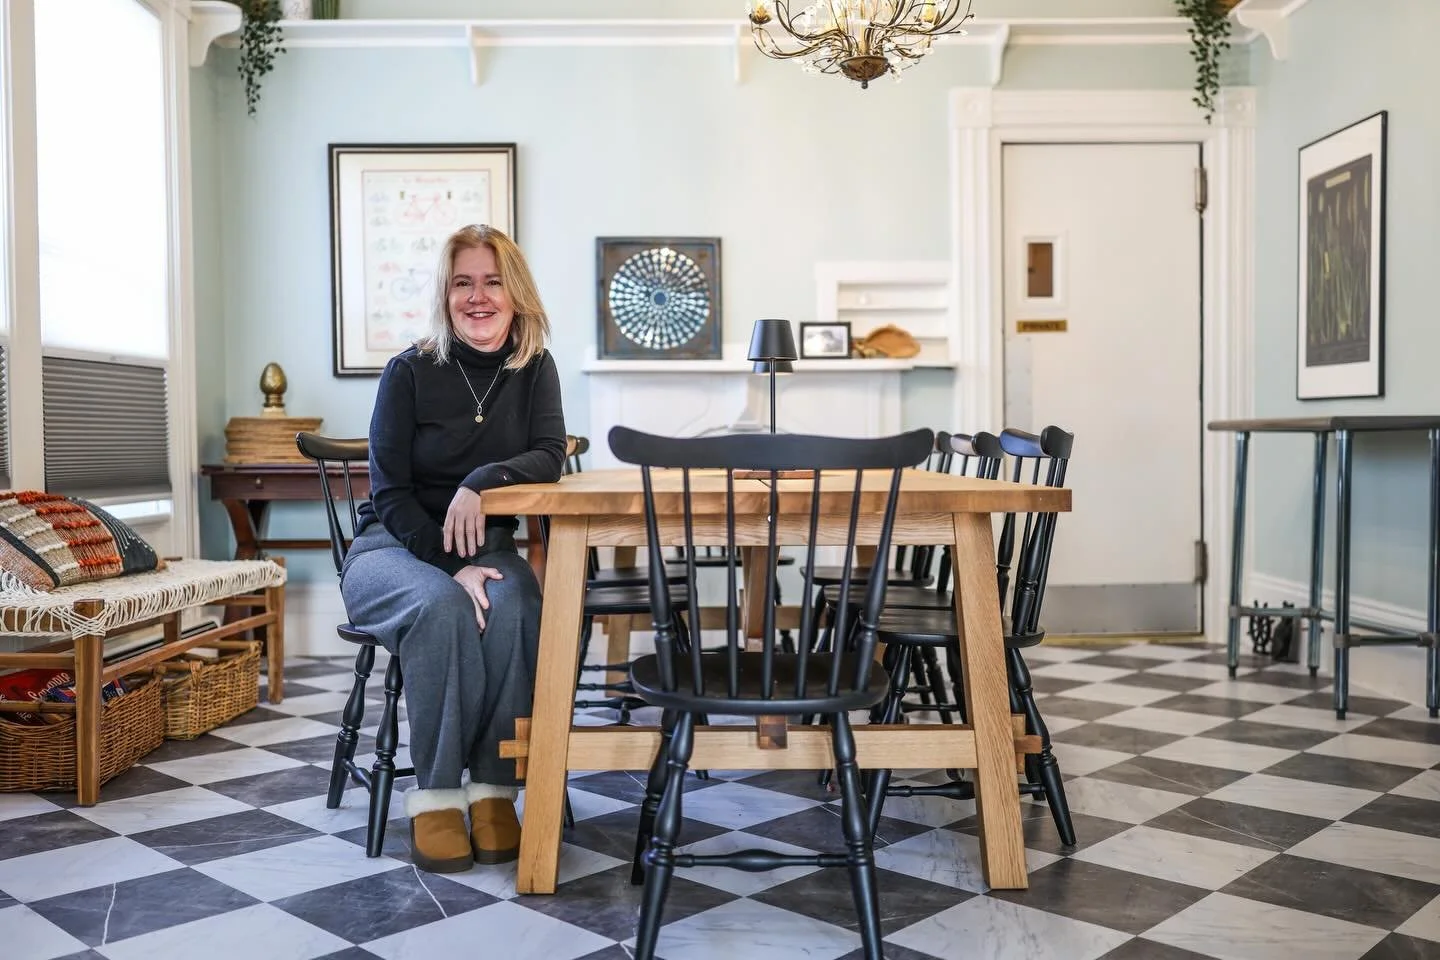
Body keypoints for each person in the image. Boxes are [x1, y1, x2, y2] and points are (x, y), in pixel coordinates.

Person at [340, 223, 566, 873]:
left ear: (515, 293)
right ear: (445, 294)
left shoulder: (534, 367)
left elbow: (550, 454)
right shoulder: (409, 370)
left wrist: (478, 483)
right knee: (442, 605)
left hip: (484, 545)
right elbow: (389, 492)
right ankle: (437, 795)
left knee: (519, 599)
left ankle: (495, 791)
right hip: (392, 548)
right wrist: (449, 566)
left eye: (493, 281)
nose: (478, 296)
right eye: (463, 282)